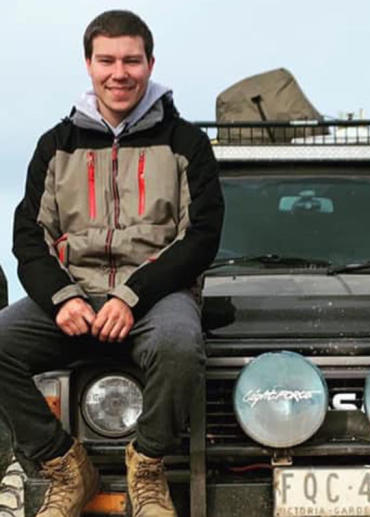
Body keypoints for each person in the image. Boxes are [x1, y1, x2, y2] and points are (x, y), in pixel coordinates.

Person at [0, 10, 223, 517]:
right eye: (107, 60)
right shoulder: (55, 146)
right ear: (88, 64)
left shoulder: (187, 143)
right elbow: (29, 238)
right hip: (73, 293)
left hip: (156, 297)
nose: (119, 73)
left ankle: (146, 465)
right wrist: (62, 298)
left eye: (131, 60)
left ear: (150, 63)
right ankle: (63, 465)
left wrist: (132, 294)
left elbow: (202, 237)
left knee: (180, 344)